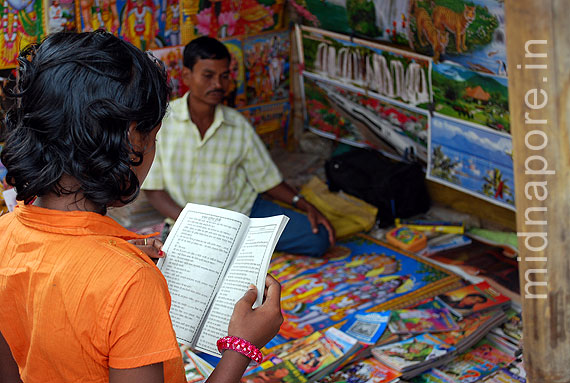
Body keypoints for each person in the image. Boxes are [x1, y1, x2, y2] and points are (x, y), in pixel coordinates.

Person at [0, 31, 283, 383]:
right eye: (153, 137)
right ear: (133, 139)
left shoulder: (4, 232)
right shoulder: (131, 281)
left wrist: (113, 261)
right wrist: (240, 348)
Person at [143, 36, 335, 257]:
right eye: (208, 76)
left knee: (318, 237)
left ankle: (238, 244)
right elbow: (154, 191)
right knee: (188, 265)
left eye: (224, 76)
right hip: (192, 221)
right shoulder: (164, 123)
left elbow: (266, 178)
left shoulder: (237, 124)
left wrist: (303, 204)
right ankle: (235, 247)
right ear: (186, 75)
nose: (217, 84)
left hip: (244, 214)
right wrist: (197, 225)